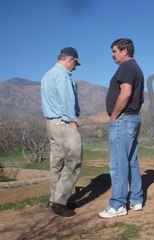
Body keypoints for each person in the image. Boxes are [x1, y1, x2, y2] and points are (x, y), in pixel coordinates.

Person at [99, 38, 144, 218]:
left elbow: (126, 93)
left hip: (124, 119)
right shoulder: (136, 67)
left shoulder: (126, 67)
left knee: (118, 163)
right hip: (133, 118)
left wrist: (114, 115)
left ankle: (118, 205)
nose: (112, 54)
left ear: (125, 51)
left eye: (114, 51)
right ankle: (136, 200)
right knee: (131, 161)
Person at [41, 47, 82, 217]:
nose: (75, 68)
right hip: (64, 122)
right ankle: (58, 202)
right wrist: (72, 120)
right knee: (74, 160)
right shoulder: (63, 75)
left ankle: (54, 199)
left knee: (56, 161)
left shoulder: (47, 75)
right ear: (70, 60)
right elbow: (67, 99)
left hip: (51, 123)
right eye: (75, 64)